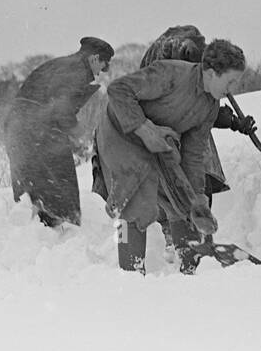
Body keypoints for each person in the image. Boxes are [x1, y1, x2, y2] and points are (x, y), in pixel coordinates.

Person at [93, 38, 249, 274]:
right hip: (121, 132)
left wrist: (197, 196)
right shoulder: (171, 73)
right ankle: (131, 275)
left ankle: (191, 270)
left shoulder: (210, 106)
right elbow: (119, 90)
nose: (233, 88)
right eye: (230, 80)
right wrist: (143, 129)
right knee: (138, 203)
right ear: (210, 72)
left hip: (159, 139)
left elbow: (194, 154)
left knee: (182, 202)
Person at [3, 36, 114, 227]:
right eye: (102, 66)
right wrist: (78, 132)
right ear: (94, 58)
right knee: (59, 185)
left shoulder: (60, 65)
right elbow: (60, 108)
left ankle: (33, 230)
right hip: (36, 129)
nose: (99, 73)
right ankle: (57, 233)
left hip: (19, 127)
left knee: (31, 183)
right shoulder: (77, 70)